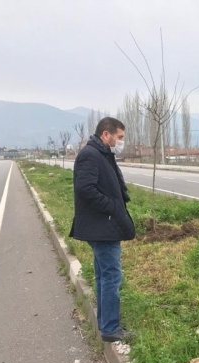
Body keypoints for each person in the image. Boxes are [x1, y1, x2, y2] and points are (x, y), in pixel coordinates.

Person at [69, 117, 135, 342]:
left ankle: (106, 323)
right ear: (106, 135)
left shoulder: (102, 154)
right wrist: (112, 207)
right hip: (102, 226)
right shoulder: (91, 155)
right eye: (119, 137)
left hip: (102, 225)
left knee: (104, 275)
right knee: (111, 276)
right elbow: (85, 188)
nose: (121, 142)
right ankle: (110, 328)